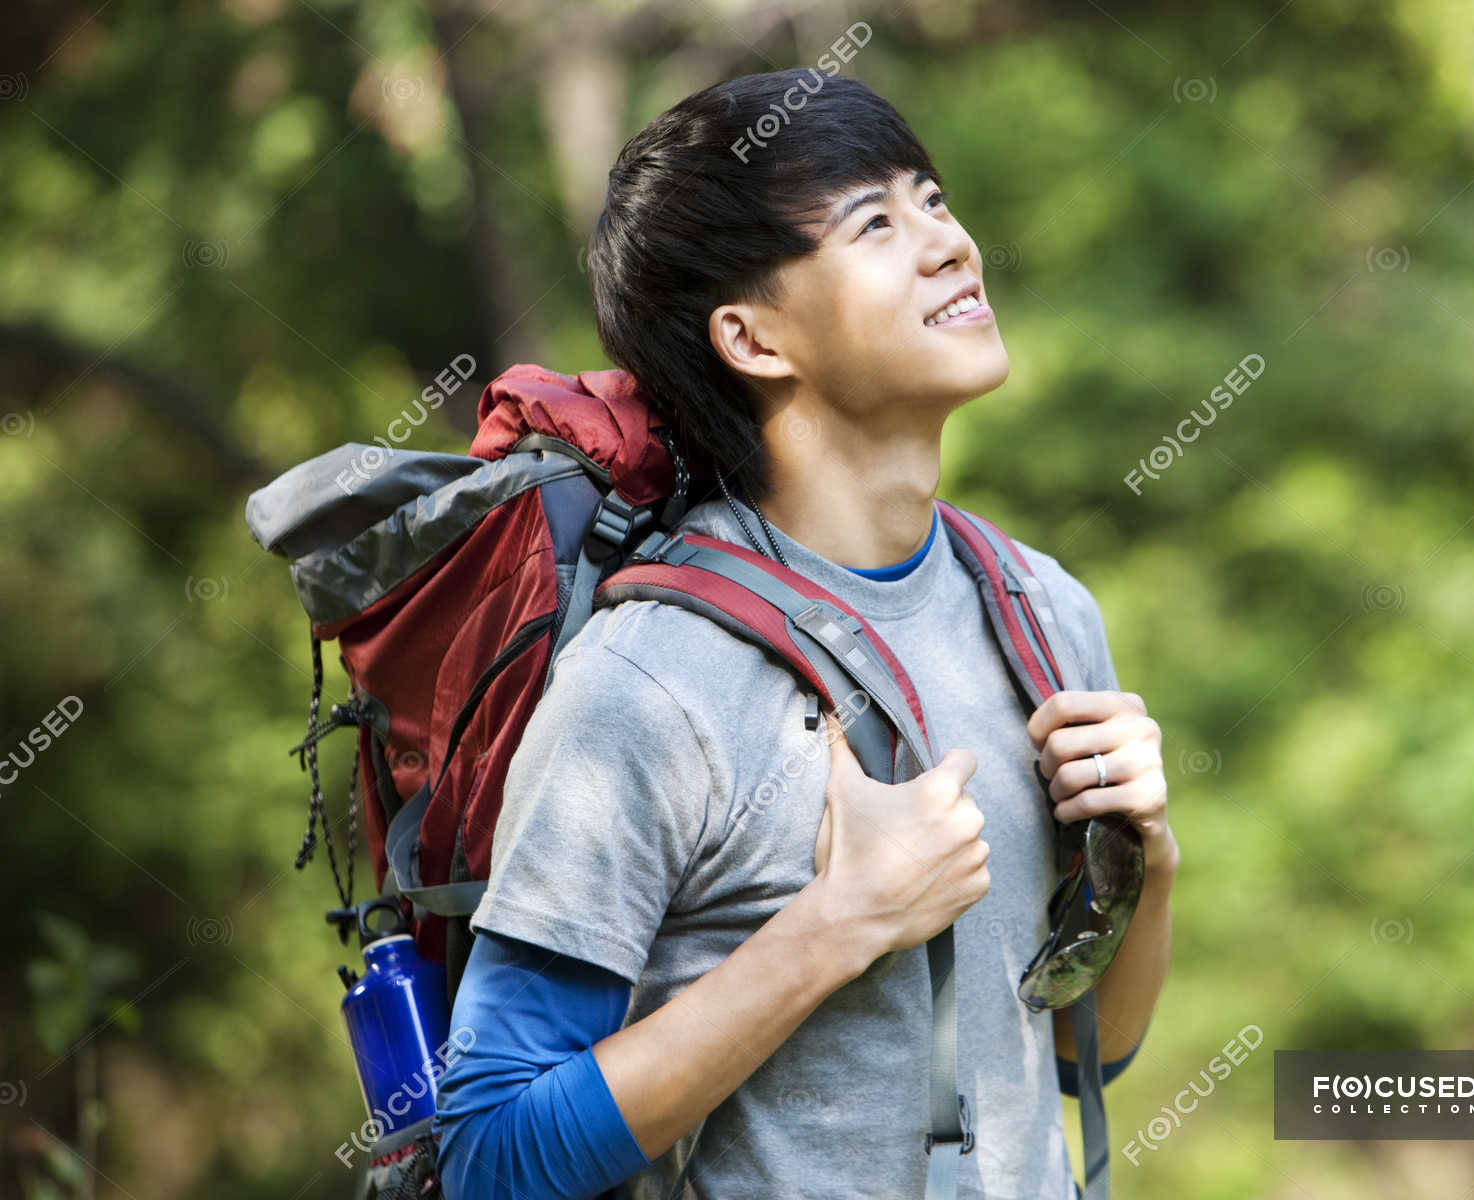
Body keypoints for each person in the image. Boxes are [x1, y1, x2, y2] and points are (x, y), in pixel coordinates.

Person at [432, 67, 1179, 1200]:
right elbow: (492, 1155)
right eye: (875, 222)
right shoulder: (650, 683)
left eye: (931, 198)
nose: (948, 243)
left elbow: (1085, 1057)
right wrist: (837, 928)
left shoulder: (1040, 611)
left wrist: (1147, 862)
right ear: (752, 337)